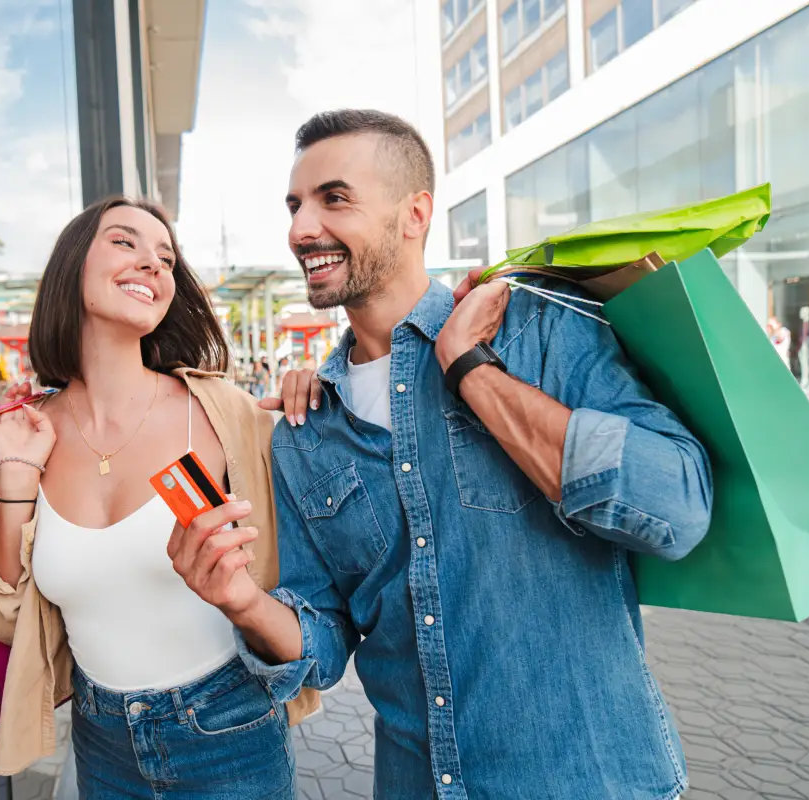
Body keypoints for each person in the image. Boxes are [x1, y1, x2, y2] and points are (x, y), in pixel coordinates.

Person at [172, 110, 714, 799]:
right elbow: (325, 643)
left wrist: (471, 371)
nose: (301, 229)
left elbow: (677, 505)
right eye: (295, 205)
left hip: (592, 777)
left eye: (333, 198)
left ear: (414, 214)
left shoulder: (533, 332)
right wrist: (243, 601)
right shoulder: (307, 430)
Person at [0, 196, 321, 795]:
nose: (154, 265)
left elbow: (321, 527)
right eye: (125, 242)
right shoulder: (29, 433)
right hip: (100, 737)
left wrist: (315, 393)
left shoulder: (221, 413)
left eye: (167, 258)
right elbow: (3, 616)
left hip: (229, 728)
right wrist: (18, 485)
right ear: (72, 267)